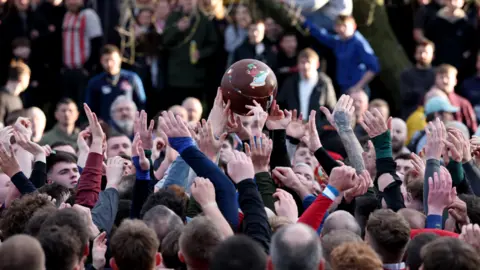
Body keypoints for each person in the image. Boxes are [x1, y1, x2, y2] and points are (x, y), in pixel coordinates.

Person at [302, 15, 380, 94]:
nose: (341, 29)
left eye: (344, 26)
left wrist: (358, 87)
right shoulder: (339, 41)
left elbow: (374, 67)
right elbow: (321, 34)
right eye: (338, 26)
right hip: (344, 88)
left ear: (354, 26)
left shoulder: (359, 43)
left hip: (357, 90)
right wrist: (303, 20)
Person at [163, 0, 218, 108]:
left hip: (196, 79)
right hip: (175, 78)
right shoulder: (173, 17)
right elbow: (164, 41)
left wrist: (200, 54)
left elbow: (214, 45)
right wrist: (177, 28)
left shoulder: (204, 20)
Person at [85, 45, 146, 123]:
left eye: (112, 60)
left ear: (119, 59)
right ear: (101, 61)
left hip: (129, 125)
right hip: (106, 127)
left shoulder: (132, 78)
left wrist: (138, 121)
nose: (109, 64)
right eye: (106, 60)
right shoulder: (95, 82)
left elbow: (142, 102)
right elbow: (90, 107)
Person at [61, 0, 103, 106]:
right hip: (68, 70)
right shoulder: (67, 15)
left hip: (83, 70)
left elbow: (97, 43)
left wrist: (88, 67)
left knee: (83, 105)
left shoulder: (89, 15)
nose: (71, 2)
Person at [277, 48, 337, 119]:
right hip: (294, 127)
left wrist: (321, 126)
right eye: (302, 62)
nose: (305, 66)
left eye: (309, 62)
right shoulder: (290, 82)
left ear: (317, 64)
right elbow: (280, 105)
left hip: (317, 128)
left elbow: (332, 108)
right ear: (298, 64)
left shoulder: (324, 82)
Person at [433, 64, 477, 132]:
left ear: (455, 81)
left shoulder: (464, 103)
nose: (445, 81)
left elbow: (473, 130)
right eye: (441, 77)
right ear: (435, 80)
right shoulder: (427, 100)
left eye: (448, 77)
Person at [399, 41, 436, 118]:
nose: (422, 55)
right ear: (415, 54)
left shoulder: (437, 75)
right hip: (411, 116)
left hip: (433, 116)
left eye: (426, 52)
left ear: (433, 55)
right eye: (420, 52)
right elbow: (405, 96)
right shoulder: (406, 74)